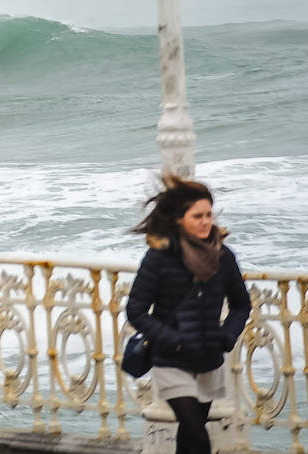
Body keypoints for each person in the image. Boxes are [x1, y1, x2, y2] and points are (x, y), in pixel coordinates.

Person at [125, 176, 251, 454]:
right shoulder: (158, 257)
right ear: (180, 219)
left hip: (208, 357)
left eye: (209, 214)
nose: (207, 221)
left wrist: (226, 337)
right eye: (198, 216)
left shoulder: (223, 256)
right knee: (195, 429)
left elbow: (242, 304)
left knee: (190, 431)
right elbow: (135, 309)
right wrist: (172, 340)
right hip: (170, 359)